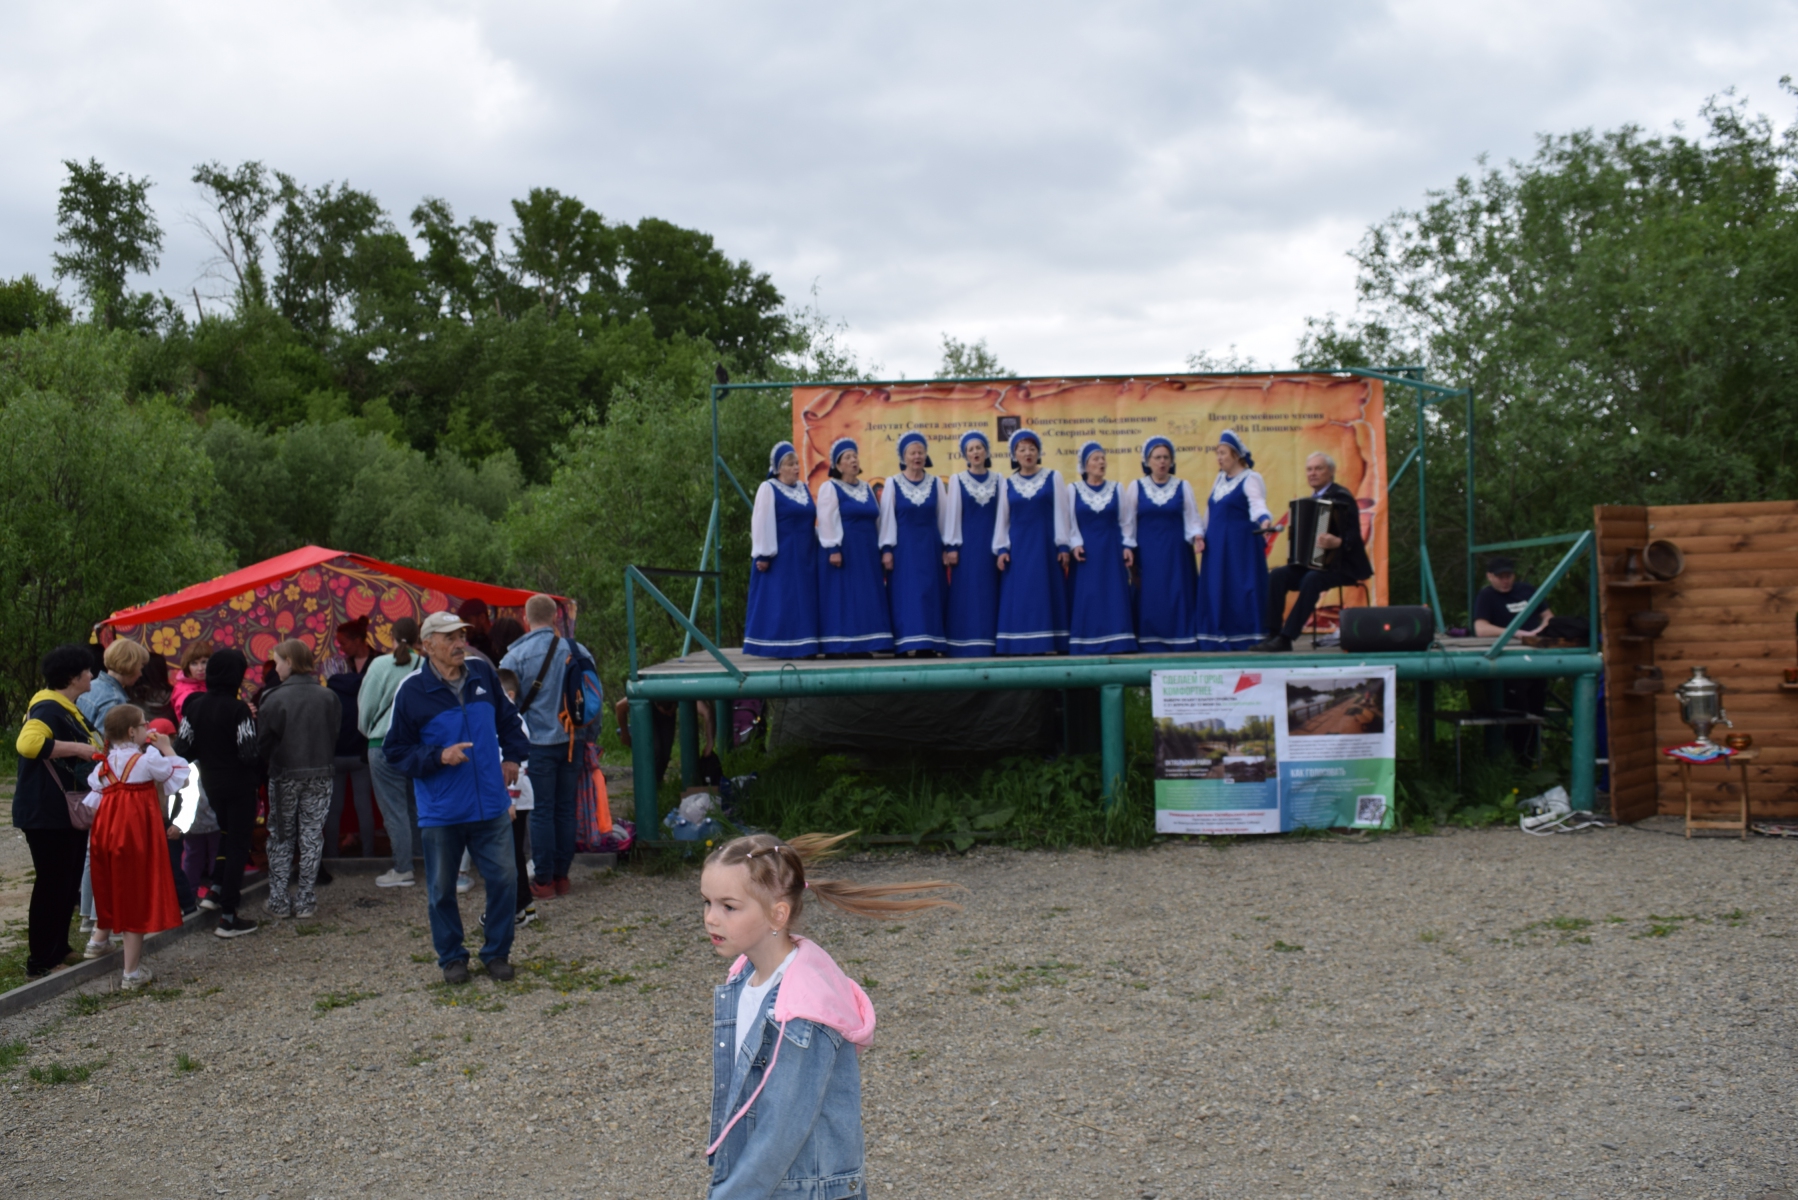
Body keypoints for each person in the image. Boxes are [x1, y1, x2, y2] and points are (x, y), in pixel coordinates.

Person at [700, 833, 960, 1198]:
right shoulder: (743, 978)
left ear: (778, 914)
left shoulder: (802, 1010)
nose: (711, 918)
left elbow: (783, 1129)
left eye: (729, 907)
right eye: (707, 902)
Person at [384, 611, 529, 985]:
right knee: (441, 890)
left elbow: (509, 720)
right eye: (449, 637)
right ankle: (452, 958)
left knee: (505, 880)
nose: (459, 643)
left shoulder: (482, 674)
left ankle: (496, 953)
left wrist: (513, 756)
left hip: (491, 805)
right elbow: (395, 751)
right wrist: (438, 756)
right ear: (427, 645)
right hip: (442, 810)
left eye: (461, 635)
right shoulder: (412, 691)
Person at [13, 645, 104, 978]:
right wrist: (78, 748)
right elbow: (28, 744)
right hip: (46, 811)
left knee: (66, 883)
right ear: (72, 677)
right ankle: (40, 961)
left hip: (63, 811)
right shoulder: (49, 709)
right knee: (51, 884)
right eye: (87, 671)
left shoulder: (65, 708)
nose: (92, 675)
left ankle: (59, 948)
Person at [499, 594, 598, 900]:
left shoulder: (515, 657)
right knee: (565, 808)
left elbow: (504, 709)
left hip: (536, 745)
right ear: (556, 617)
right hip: (573, 741)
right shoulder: (578, 650)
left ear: (525, 619)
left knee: (541, 811)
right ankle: (562, 876)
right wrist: (591, 737)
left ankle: (543, 881)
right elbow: (593, 697)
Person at [80, 705, 187, 989]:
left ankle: (98, 940)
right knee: (136, 894)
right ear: (132, 731)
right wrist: (166, 747)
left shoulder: (103, 765)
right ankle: (131, 973)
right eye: (143, 724)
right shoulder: (147, 760)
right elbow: (181, 776)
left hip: (106, 834)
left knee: (110, 884)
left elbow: (94, 803)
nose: (147, 727)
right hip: (136, 835)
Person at [174, 649, 261, 938]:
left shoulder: (194, 706)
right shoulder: (238, 710)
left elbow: (182, 748)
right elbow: (249, 753)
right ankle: (228, 916)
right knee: (238, 845)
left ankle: (215, 889)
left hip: (211, 783)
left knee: (226, 835)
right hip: (239, 785)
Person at [1253, 452, 1374, 652]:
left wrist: (1339, 542)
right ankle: (1273, 634)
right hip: (1316, 566)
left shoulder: (1342, 497)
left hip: (1342, 566)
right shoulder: (1311, 500)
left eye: (1318, 468)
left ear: (1331, 472)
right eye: (1309, 469)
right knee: (1278, 575)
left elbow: (1354, 534)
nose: (1313, 473)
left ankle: (1286, 637)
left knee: (1312, 579)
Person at [257, 639, 342, 920]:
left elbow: (263, 742)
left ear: (289, 662)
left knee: (282, 837)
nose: (276, 667)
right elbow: (335, 733)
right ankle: (306, 899)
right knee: (312, 836)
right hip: (321, 772)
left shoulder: (273, 697)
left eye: (278, 662)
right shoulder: (328, 696)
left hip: (285, 774)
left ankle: (279, 901)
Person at [76, 637, 152, 937]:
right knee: (107, 850)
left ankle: (88, 913)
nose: (142, 673)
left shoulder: (93, 688)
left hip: (93, 775)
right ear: (130, 665)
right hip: (108, 780)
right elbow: (110, 745)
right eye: (140, 666)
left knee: (94, 848)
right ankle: (100, 918)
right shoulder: (114, 700)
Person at [993, 429, 1073, 655]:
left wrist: (1063, 544)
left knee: (1044, 591)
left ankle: (1048, 642)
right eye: (1022, 449)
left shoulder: (1053, 477)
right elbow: (1003, 518)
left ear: (1038, 452)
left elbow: (1061, 512)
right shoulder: (1008, 483)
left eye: (1031, 449)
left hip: (1045, 546)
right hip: (1019, 548)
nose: (1027, 453)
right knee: (1021, 592)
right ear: (1014, 455)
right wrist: (1002, 548)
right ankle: (1020, 644)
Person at [1193, 430, 1275, 651]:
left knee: (1240, 587)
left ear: (1236, 455)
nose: (1219, 458)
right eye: (1217, 453)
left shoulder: (1250, 478)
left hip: (1240, 546)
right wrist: (1201, 534)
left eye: (1223, 453)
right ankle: (1217, 636)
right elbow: (1210, 511)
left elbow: (1257, 504)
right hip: (1216, 546)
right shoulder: (1220, 479)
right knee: (1218, 587)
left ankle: (1246, 636)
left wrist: (1264, 520)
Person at [359, 616, 424, 888]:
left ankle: (403, 868)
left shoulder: (379, 665)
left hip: (383, 744)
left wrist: (369, 730)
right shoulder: (427, 665)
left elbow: (366, 707)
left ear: (392, 637)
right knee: (417, 807)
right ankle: (422, 860)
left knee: (394, 810)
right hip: (418, 746)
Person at [814, 438, 893, 655]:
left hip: (867, 551)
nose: (853, 460)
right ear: (838, 466)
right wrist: (833, 549)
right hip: (845, 550)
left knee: (865, 595)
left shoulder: (866, 488)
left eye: (855, 456)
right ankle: (840, 645)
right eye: (847, 457)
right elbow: (826, 519)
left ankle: (864, 643)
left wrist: (882, 548)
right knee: (844, 595)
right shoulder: (830, 487)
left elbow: (877, 519)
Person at [1124, 436, 1203, 652]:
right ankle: (1150, 641)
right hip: (1148, 554)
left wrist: (1197, 536)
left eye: (1166, 457)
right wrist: (1128, 546)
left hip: (1177, 554)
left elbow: (1193, 518)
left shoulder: (1182, 486)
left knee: (1178, 593)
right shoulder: (1137, 487)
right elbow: (1129, 521)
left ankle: (1181, 640)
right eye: (1157, 457)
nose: (1162, 462)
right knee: (1151, 595)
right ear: (1147, 461)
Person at [743, 442, 821, 658]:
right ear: (779, 468)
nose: (796, 467)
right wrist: (763, 554)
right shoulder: (769, 488)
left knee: (804, 599)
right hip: (782, 555)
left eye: (797, 463)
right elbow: (762, 521)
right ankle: (780, 645)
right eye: (790, 464)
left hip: (805, 554)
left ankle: (805, 645)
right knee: (784, 598)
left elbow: (810, 521)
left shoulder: (803, 489)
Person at [878, 431, 950, 655]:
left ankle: (929, 643)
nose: (917, 457)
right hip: (904, 547)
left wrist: (947, 547)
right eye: (912, 453)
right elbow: (887, 518)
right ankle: (905, 642)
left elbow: (943, 517)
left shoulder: (936, 483)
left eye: (920, 452)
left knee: (930, 592)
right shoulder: (893, 483)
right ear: (903, 457)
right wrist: (887, 549)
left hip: (930, 546)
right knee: (906, 593)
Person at [1474, 555, 1552, 758]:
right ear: (1490, 576)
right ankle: (1512, 757)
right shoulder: (1487, 596)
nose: (1505, 580)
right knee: (1517, 711)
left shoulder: (1527, 590)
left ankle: (1530, 757)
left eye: (1508, 575)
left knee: (1537, 709)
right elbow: (1481, 628)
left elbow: (1548, 615)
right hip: (1508, 660)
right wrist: (1515, 633)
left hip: (1535, 656)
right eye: (1500, 576)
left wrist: (1542, 629)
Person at [1066, 441, 1137, 654]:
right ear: (1085, 465)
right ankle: (1086, 641)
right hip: (1086, 552)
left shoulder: (1117, 488)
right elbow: (1069, 521)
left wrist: (1127, 545)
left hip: (1111, 550)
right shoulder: (1073, 489)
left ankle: (1118, 640)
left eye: (1103, 458)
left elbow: (1126, 520)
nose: (1101, 462)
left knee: (1112, 592)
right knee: (1088, 594)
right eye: (1096, 459)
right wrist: (1075, 544)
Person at [941, 430, 1002, 657]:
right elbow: (953, 514)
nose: (975, 452)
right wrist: (952, 546)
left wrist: (1001, 546)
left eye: (979, 448)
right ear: (965, 455)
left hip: (991, 545)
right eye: (971, 449)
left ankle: (991, 642)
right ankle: (963, 642)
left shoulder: (999, 479)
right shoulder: (958, 480)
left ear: (986, 451)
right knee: (968, 591)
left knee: (991, 590)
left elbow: (1002, 514)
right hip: (968, 546)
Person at [325, 619, 377, 860]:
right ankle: (369, 853)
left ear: (358, 640)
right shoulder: (365, 676)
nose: (341, 648)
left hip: (338, 752)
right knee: (363, 803)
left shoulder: (332, 687)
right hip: (361, 750)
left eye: (343, 643)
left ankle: (331, 854)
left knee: (334, 806)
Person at [495, 669, 539, 930]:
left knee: (509, 855)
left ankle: (516, 907)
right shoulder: (506, 719)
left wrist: (510, 801)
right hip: (513, 798)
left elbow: (516, 765)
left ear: (509, 695)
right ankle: (524, 905)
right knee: (512, 854)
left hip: (514, 800)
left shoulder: (513, 721)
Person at [170, 639, 213, 720]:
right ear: (187, 667)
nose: (200, 668)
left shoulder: (215, 683)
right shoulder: (185, 692)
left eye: (204, 662)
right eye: (194, 663)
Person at [457, 598, 497, 663]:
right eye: (463, 621)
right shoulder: (474, 644)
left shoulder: (499, 645)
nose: (465, 626)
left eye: (468, 620)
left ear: (482, 618)